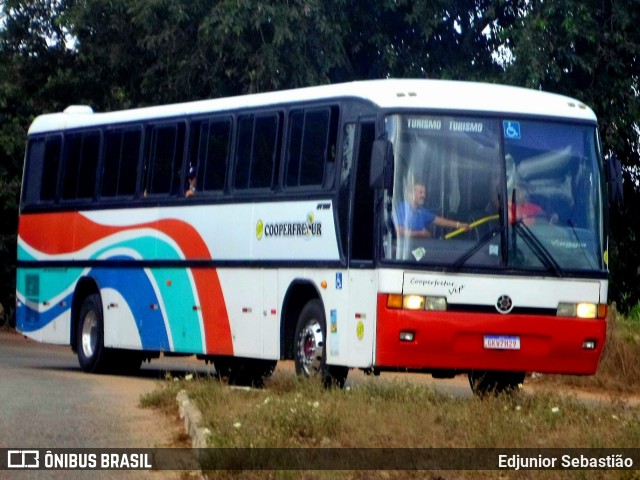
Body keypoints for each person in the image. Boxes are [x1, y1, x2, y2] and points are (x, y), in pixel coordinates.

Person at [394, 181, 469, 238]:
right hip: (405, 252)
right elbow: (399, 231)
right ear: (411, 193)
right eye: (420, 192)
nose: (423, 195)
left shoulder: (420, 211)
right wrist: (420, 234)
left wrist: (459, 225)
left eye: (424, 193)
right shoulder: (403, 208)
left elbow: (439, 220)